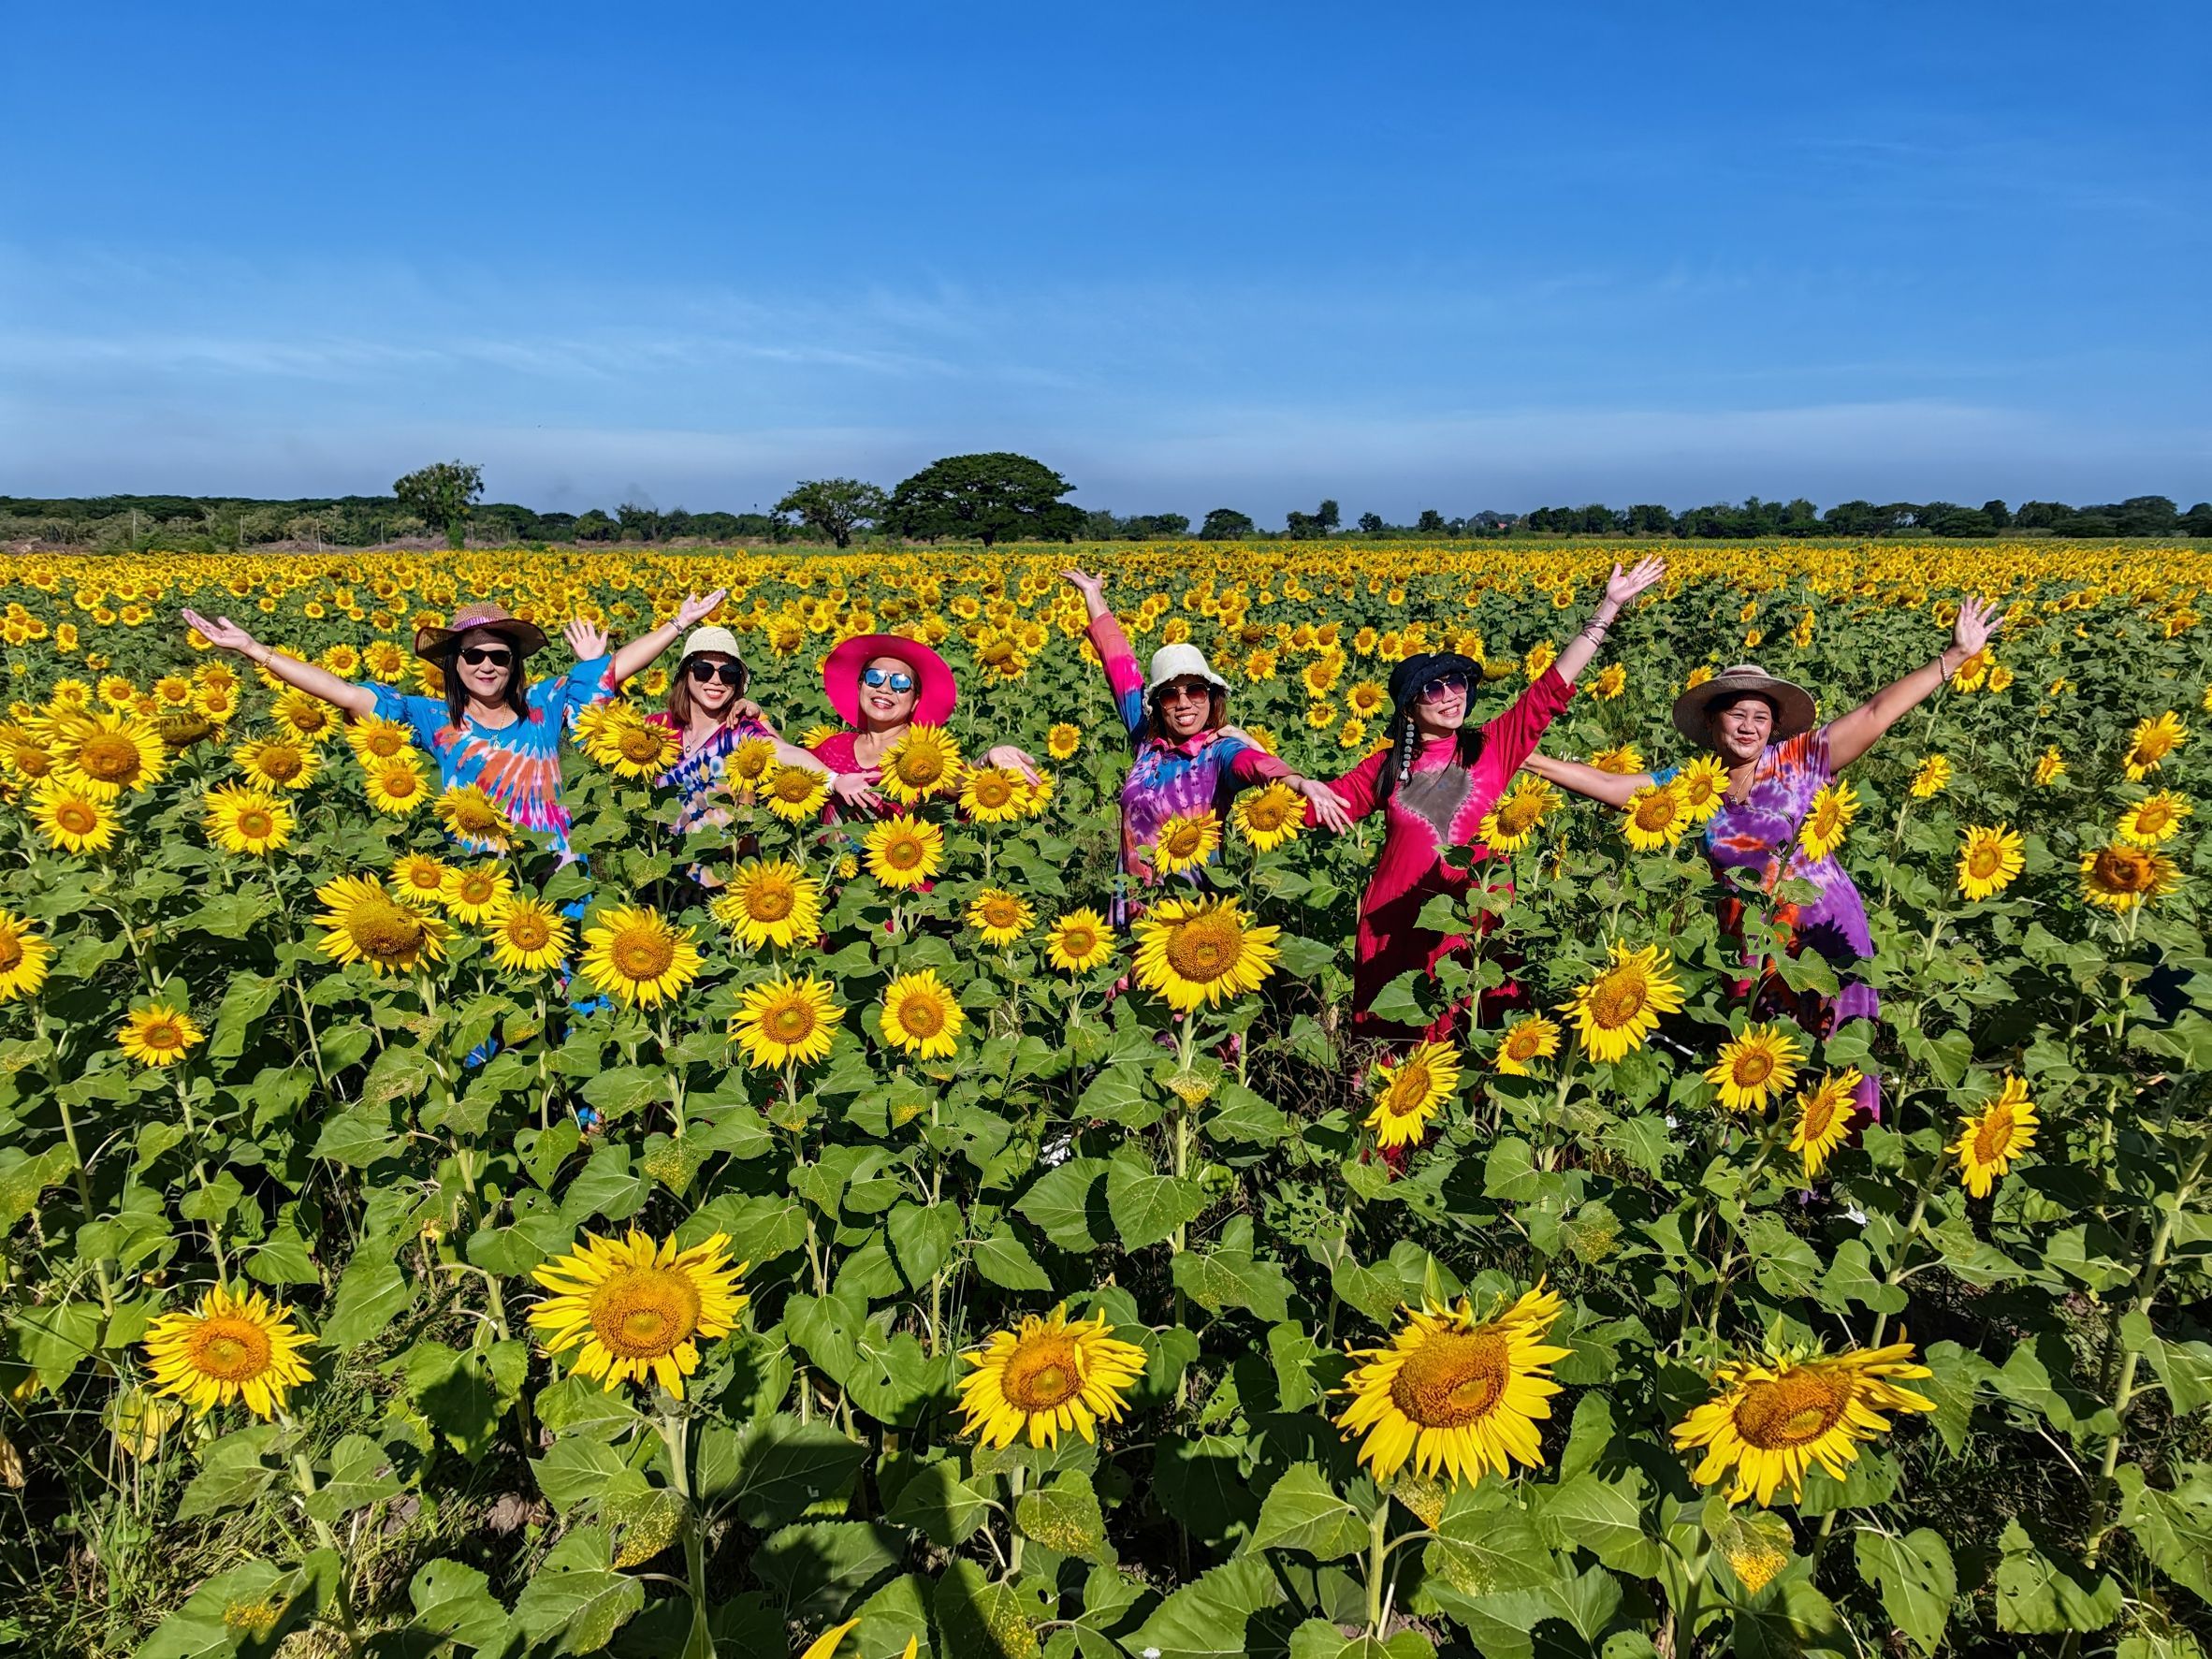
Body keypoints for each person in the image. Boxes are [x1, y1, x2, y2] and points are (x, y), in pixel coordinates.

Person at [1521, 595, 2004, 1128]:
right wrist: (1523, 757)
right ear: (1712, 724)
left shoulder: (1802, 760)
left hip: (1827, 933)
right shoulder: (1689, 786)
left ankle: (1838, 1186)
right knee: (1760, 1062)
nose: (1748, 726)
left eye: (1760, 716)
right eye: (1737, 714)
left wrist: (1954, 657)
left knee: (1835, 1053)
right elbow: (1612, 786)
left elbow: (1875, 712)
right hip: (1754, 940)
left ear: (1774, 727)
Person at [1309, 559, 1669, 1044]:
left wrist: (1608, 608)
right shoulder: (1386, 766)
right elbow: (1317, 808)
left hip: (1477, 915)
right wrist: (1280, 776)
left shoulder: (1492, 746)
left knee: (1478, 1029)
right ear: (1410, 708)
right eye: (1432, 690)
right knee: (1396, 1038)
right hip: (1398, 919)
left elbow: (1550, 689)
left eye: (1456, 683)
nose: (1450, 696)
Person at [181, 590, 724, 856]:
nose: (486, 665)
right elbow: (345, 691)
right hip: (473, 879)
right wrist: (256, 650)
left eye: (499, 656)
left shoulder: (542, 708)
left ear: (515, 664)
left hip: (554, 870)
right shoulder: (433, 719)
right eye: (473, 656)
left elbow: (611, 669)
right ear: (454, 666)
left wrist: (677, 624)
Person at [1062, 569, 1352, 918]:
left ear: (1212, 697)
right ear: (1157, 705)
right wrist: (1093, 595)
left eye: (1195, 690)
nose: (1184, 703)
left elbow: (1253, 764)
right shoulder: (1146, 739)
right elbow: (1118, 664)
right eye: (1170, 695)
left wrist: (1299, 782)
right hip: (1135, 904)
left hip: (1193, 918)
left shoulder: (1216, 752)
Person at [576, 621, 874, 835]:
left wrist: (833, 780)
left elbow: (782, 750)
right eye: (704, 669)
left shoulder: (740, 731)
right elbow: (601, 727)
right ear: (685, 674)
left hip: (727, 875)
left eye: (728, 672)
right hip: (669, 879)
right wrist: (592, 669)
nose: (716, 680)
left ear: (737, 683)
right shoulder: (659, 728)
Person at [807, 633, 1038, 815]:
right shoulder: (832, 747)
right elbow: (785, 766)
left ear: (915, 700)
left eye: (900, 683)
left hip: (905, 873)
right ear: (860, 687)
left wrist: (983, 762)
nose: (884, 688)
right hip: (831, 872)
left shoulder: (926, 750)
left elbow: (953, 787)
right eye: (874, 677)